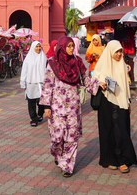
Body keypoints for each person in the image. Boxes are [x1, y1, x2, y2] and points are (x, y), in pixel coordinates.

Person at [39, 36, 106, 177]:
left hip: (73, 106)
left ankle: (67, 166)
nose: (71, 48)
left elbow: (85, 79)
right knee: (57, 138)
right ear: (62, 47)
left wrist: (97, 83)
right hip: (56, 106)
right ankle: (58, 155)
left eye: (72, 46)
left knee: (71, 136)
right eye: (68, 46)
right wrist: (46, 106)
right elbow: (47, 84)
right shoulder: (52, 63)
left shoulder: (77, 61)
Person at [93, 40, 137, 173]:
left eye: (120, 51)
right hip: (106, 102)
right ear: (110, 51)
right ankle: (110, 160)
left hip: (121, 102)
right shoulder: (102, 64)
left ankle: (123, 160)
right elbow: (93, 79)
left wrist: (128, 102)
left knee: (121, 130)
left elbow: (125, 86)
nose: (119, 54)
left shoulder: (122, 65)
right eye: (116, 51)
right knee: (107, 130)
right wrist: (100, 83)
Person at [20, 40, 47, 127]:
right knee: (31, 102)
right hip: (31, 83)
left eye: (39, 46)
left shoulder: (44, 57)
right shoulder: (28, 59)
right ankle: (34, 119)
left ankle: (40, 114)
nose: (38, 48)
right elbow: (24, 71)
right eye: (36, 46)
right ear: (33, 47)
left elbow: (48, 70)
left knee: (41, 102)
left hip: (41, 84)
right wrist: (23, 83)